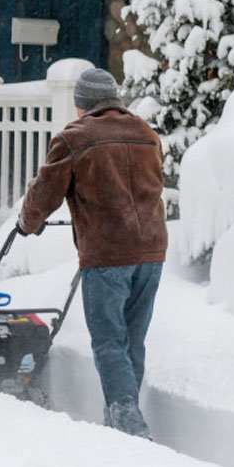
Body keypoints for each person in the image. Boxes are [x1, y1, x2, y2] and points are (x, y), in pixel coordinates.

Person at [17, 67, 167, 438]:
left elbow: (44, 194)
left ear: (82, 105)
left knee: (108, 342)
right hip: (152, 252)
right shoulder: (146, 134)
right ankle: (118, 421)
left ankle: (129, 426)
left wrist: (27, 222)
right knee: (131, 340)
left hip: (109, 254)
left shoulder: (74, 138)